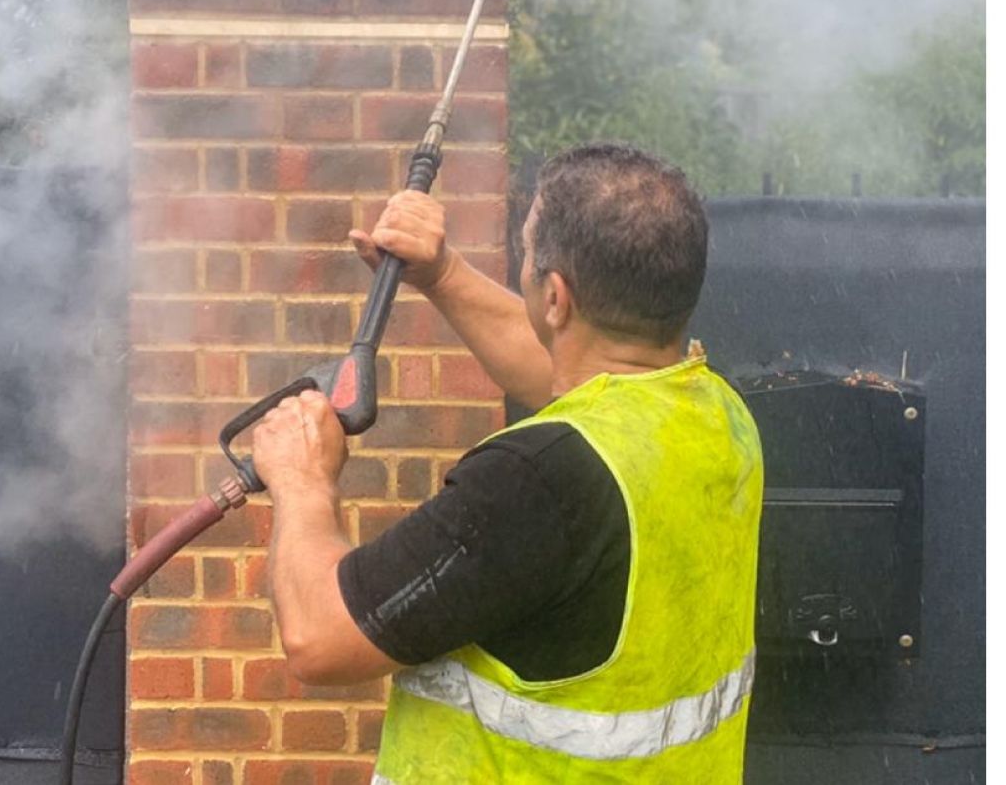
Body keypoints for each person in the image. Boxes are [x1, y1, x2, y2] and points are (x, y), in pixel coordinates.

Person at [252, 142, 764, 783]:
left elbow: (320, 639)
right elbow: (567, 366)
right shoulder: (717, 415)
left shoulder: (537, 480)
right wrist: (441, 273)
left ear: (555, 298)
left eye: (526, 254)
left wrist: (301, 480)